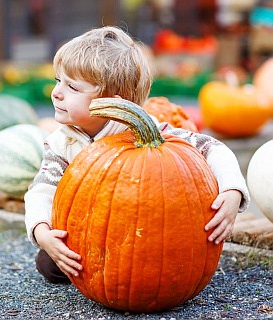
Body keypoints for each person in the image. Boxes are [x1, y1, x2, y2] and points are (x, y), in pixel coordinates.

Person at [24, 26, 250, 284]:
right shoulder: (62, 142)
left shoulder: (149, 133)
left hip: (146, 234)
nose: (56, 92)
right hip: (90, 232)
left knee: (155, 266)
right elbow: (42, 189)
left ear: (114, 103)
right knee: (49, 263)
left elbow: (213, 148)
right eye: (58, 81)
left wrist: (232, 191)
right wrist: (42, 231)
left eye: (72, 87)